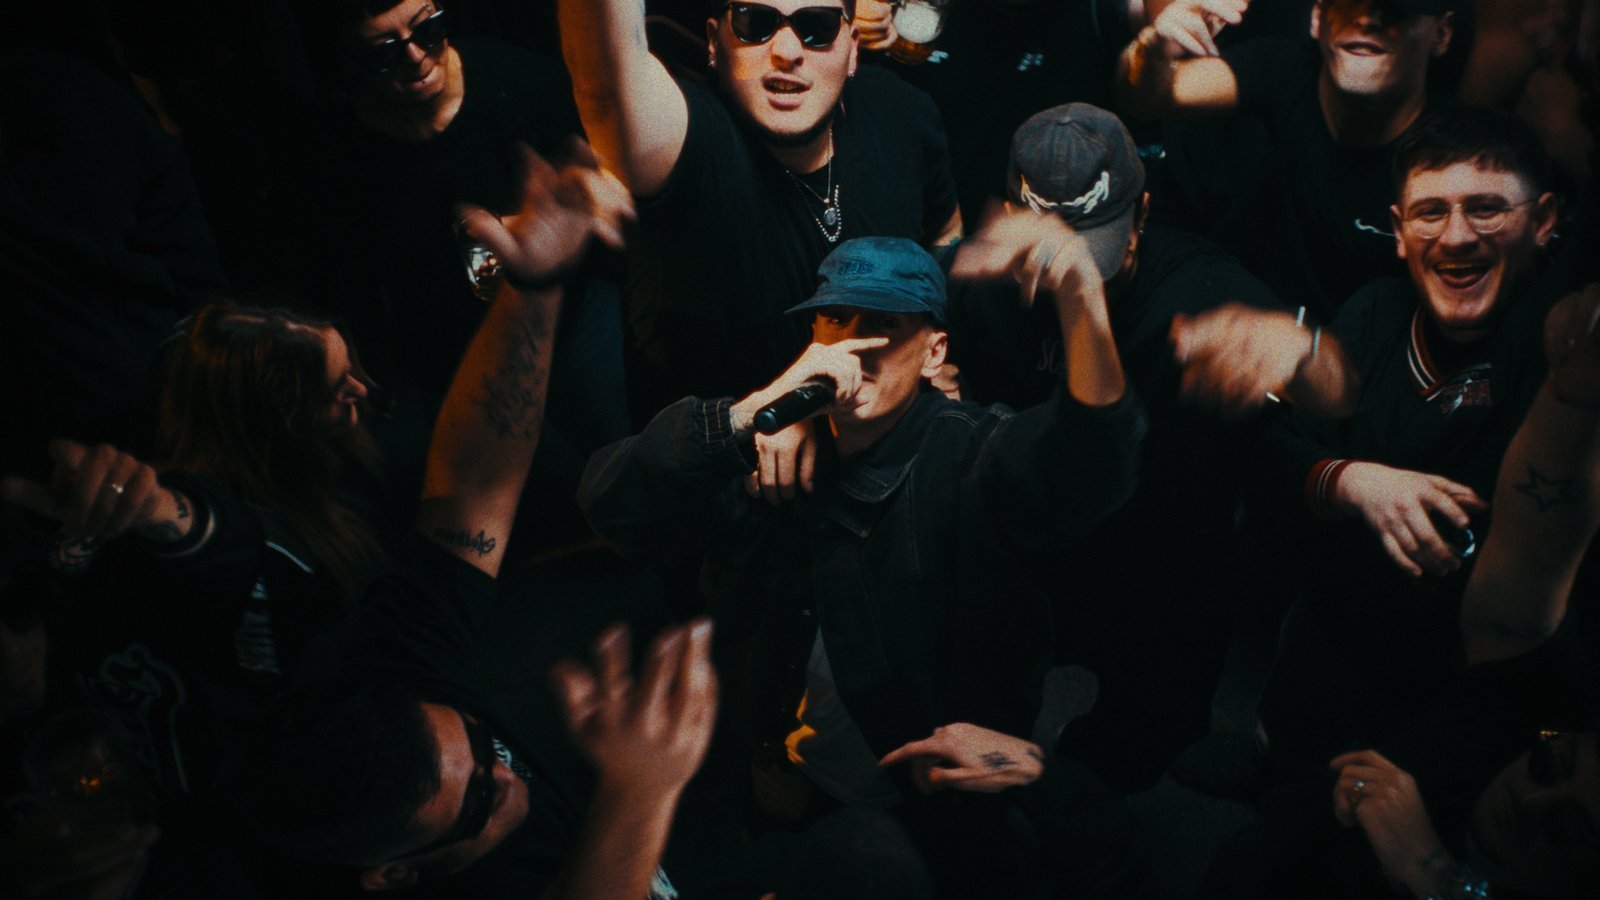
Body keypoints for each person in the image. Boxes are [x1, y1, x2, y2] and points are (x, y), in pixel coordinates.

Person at [580, 230, 1146, 895]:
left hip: (914, 805)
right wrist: (746, 418)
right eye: (836, 319)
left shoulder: (969, 455)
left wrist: (1081, 298)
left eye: (886, 325)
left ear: (935, 352)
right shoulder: (771, 443)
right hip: (774, 776)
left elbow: (1091, 462)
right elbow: (611, 506)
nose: (855, 345)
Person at [229, 143, 716, 899]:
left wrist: (535, 284)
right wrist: (639, 792)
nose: (507, 775)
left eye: (481, 744)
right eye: (480, 797)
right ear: (393, 874)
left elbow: (471, 492)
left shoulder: (379, 685)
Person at [946, 102, 1356, 792]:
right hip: (1036, 546)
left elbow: (1337, 394)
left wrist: (1306, 351)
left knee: (1144, 741)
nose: (1074, 276)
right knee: (980, 721)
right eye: (1054, 253)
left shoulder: (1201, 289)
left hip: (1167, 560)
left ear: (1140, 214)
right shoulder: (982, 283)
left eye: (1095, 254)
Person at [1175, 107, 1584, 779]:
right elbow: (1276, 454)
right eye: (1430, 212)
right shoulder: (1375, 311)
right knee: (1290, 751)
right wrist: (1353, 481)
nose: (1456, 236)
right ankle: (1273, 766)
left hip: (1461, 688)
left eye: (1486, 209)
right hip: (1332, 638)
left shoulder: (1555, 348)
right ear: (1398, 232)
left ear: (1543, 222)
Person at [559, 0, 962, 404]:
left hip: (890, 430)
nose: (787, 52)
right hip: (729, 438)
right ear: (714, 42)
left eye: (817, 26)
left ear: (852, 48)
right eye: (755, 23)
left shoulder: (902, 112)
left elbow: (945, 231)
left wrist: (928, 348)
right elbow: (604, 90)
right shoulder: (689, 143)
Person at [1117, 0, 1458, 317]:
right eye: (1346, 2)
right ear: (1317, 18)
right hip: (1265, 325)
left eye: (1395, 8)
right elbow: (1149, 96)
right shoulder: (1285, 69)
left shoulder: (1452, 155)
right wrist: (1152, 47)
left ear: (1441, 34)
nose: (1366, 19)